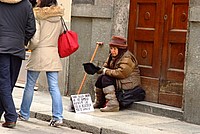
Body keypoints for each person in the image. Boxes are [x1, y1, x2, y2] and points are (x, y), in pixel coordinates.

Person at [18, 0, 65, 127]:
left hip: (39, 53)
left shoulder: (37, 15)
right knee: (54, 87)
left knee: (30, 85)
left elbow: (35, 38)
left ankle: (24, 113)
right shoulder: (59, 16)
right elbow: (61, 34)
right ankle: (58, 117)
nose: (37, 0)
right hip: (53, 53)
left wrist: (28, 46)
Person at [0, 0, 36, 128]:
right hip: (17, 48)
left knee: (3, 83)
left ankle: (11, 116)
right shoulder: (26, 4)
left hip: (1, 48)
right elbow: (31, 28)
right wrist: (21, 41)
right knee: (8, 83)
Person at [93, 36, 142, 112]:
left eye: (115, 49)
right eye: (111, 48)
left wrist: (105, 71)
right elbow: (105, 67)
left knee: (106, 79)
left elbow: (121, 73)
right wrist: (96, 69)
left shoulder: (127, 57)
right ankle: (99, 102)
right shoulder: (112, 56)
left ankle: (113, 105)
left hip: (128, 82)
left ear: (121, 49)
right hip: (119, 80)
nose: (112, 51)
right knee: (100, 78)